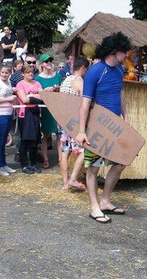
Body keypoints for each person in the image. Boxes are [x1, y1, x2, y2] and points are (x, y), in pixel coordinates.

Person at [75, 31, 132, 224]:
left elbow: (121, 94)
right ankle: (94, 207)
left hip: (114, 126)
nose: (126, 56)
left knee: (120, 163)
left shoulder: (119, 71)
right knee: (93, 168)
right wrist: (81, 131)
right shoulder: (95, 71)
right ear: (115, 51)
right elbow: (85, 103)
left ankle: (105, 201)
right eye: (124, 52)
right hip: (96, 127)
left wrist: (126, 117)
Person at [58, 57, 89, 191]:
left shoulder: (65, 80)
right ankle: (73, 179)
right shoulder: (79, 81)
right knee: (85, 150)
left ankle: (65, 183)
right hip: (74, 121)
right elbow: (84, 102)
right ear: (82, 68)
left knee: (65, 152)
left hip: (63, 120)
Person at [35, 54, 62, 169]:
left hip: (58, 107)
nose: (49, 63)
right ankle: (46, 158)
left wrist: (58, 89)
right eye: (46, 61)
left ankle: (61, 159)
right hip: (46, 109)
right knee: (45, 135)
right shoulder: (38, 79)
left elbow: (63, 90)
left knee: (59, 135)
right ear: (42, 64)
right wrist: (45, 91)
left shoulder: (58, 76)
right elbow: (37, 94)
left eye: (50, 60)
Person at [15, 65, 43, 174]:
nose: (31, 74)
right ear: (23, 74)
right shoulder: (20, 84)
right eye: (28, 72)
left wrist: (30, 96)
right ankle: (24, 164)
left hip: (35, 114)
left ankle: (34, 162)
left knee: (35, 139)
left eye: (32, 72)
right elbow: (24, 99)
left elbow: (43, 97)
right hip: (25, 114)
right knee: (25, 140)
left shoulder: (37, 83)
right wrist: (34, 96)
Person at [0, 65, 17, 176]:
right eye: (2, 72)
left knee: (4, 141)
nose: (4, 75)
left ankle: (4, 163)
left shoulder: (9, 82)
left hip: (8, 114)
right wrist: (8, 98)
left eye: (6, 73)